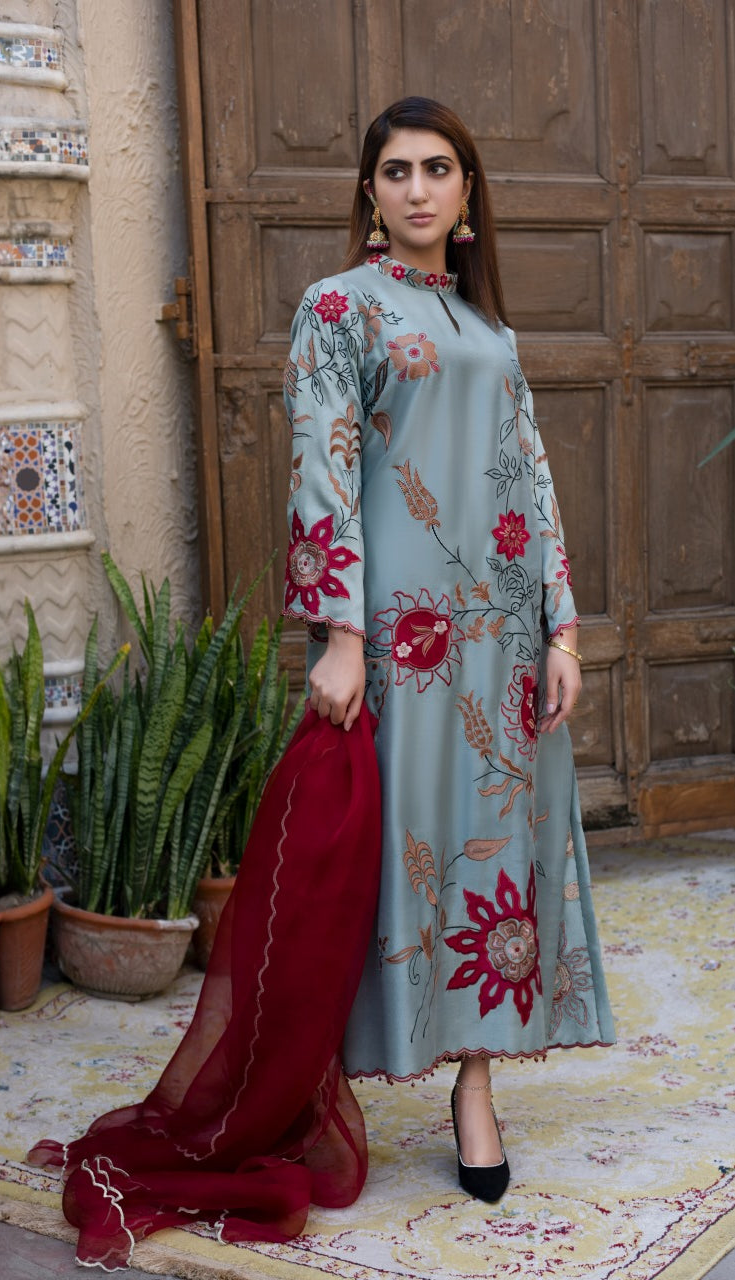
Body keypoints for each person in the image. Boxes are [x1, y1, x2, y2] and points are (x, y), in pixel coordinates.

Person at [282, 96, 615, 1202]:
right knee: (392, 846)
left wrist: (560, 627)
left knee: (491, 849)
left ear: (466, 192)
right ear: (369, 195)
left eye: (437, 169)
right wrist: (340, 633)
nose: (417, 188)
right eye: (396, 171)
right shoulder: (337, 306)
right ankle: (321, 1079)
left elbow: (531, 478)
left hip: (501, 642)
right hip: (401, 636)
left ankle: (475, 1083)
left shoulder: (490, 333)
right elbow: (323, 465)